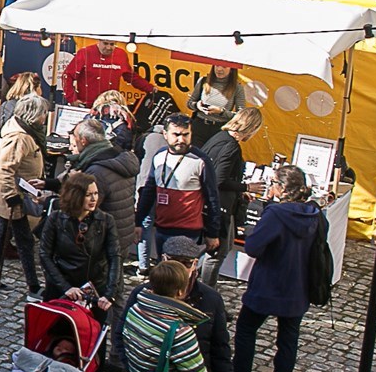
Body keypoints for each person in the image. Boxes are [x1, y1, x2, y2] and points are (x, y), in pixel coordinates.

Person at [234, 165, 326, 372]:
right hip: (298, 288)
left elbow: (253, 247)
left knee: (245, 329)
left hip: (269, 285)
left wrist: (255, 229)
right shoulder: (315, 214)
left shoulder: (276, 214)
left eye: (273, 182)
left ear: (282, 188)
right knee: (288, 339)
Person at [0, 95, 50, 296]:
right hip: (13, 197)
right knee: (24, 242)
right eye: (43, 114)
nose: (45, 118)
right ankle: (33, 287)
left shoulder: (25, 132)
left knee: (3, 237)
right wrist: (12, 196)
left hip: (15, 195)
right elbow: (5, 169)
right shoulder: (19, 137)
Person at [137, 114, 220, 261]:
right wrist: (138, 222)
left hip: (188, 231)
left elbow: (212, 198)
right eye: (176, 134)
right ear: (165, 134)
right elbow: (149, 192)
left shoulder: (201, 160)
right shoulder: (159, 156)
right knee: (162, 272)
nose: (181, 140)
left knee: (178, 277)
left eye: (186, 135)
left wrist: (212, 233)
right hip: (162, 227)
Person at [41, 173, 121, 318]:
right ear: (75, 195)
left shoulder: (106, 221)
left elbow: (114, 257)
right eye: (88, 194)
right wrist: (65, 287)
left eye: (95, 193)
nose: (93, 199)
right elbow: (45, 255)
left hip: (94, 288)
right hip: (62, 286)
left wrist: (109, 294)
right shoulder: (56, 219)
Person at [198, 105, 263, 275]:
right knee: (216, 253)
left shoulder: (219, 137)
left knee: (213, 250)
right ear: (252, 127)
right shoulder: (231, 146)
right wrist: (247, 187)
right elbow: (219, 179)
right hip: (218, 206)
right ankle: (204, 292)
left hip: (206, 201)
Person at [66, 117, 140, 254]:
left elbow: (84, 210)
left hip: (104, 240)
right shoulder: (118, 156)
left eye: (74, 137)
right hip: (121, 234)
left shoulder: (96, 171)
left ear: (83, 140)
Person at [62, 38, 148, 107]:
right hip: (87, 106)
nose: (109, 47)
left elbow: (130, 77)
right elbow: (67, 76)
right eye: (105, 43)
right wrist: (72, 99)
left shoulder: (121, 54)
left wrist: (150, 89)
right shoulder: (85, 53)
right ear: (98, 41)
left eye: (112, 44)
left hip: (111, 106)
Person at [187, 62, 246, 144]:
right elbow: (190, 103)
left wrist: (222, 112)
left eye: (224, 66)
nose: (219, 69)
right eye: (217, 65)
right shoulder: (203, 81)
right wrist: (197, 105)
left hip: (219, 129)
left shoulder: (237, 88)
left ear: (232, 69)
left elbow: (240, 116)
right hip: (199, 126)